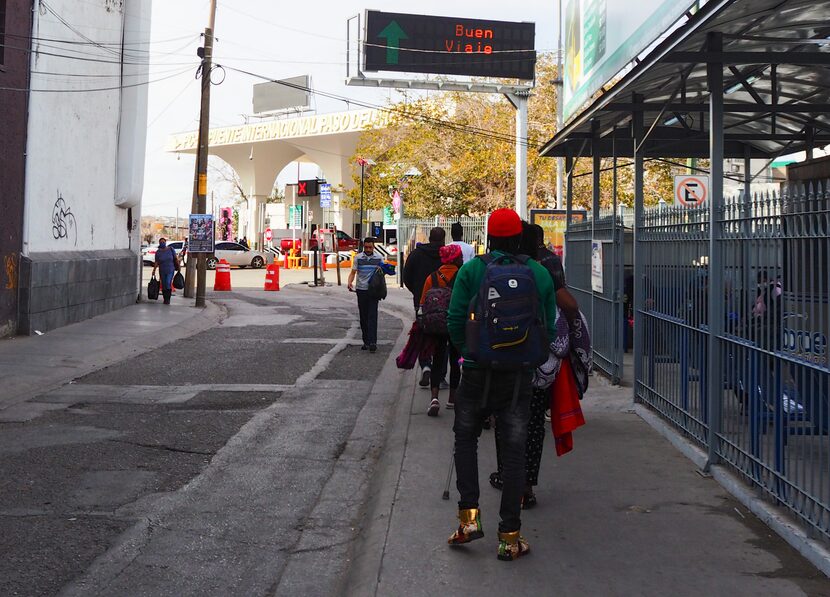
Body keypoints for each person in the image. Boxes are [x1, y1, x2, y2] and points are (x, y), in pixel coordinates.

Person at [446, 208, 557, 562]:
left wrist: (469, 352)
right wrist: (528, 357)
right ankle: (510, 537)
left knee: (465, 440)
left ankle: (468, 521)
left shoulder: (472, 270)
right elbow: (549, 325)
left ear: (490, 238)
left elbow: (454, 318)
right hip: (517, 376)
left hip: (477, 371)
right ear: (519, 238)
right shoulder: (537, 272)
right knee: (512, 451)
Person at [489, 223, 579, 507]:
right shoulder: (544, 269)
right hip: (535, 357)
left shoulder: (495, 268)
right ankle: (526, 485)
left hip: (501, 354)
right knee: (534, 422)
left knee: (505, 419)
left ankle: (506, 477)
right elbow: (569, 305)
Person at [419, 243, 463, 416]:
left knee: (437, 360)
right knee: (455, 361)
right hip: (455, 323)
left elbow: (423, 302)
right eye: (459, 256)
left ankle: (434, 398)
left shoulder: (432, 277)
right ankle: (452, 398)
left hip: (436, 325)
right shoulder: (461, 275)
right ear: (455, 258)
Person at [403, 227, 445, 386]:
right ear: (443, 239)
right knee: (442, 339)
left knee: (424, 335)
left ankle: (426, 365)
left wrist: (417, 291)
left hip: (421, 302)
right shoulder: (446, 256)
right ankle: (440, 375)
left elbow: (406, 276)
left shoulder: (416, 254)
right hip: (444, 304)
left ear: (429, 238)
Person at [347, 237, 393, 353]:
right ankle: (366, 341)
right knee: (364, 316)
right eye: (366, 247)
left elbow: (384, 271)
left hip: (373, 290)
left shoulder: (378, 258)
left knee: (372, 316)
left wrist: (385, 269)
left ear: (373, 247)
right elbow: (353, 272)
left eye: (370, 247)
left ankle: (373, 342)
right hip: (361, 290)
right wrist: (349, 282)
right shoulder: (358, 258)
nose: (368, 249)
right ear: (363, 247)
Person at [151, 237, 180, 305]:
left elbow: (175, 258)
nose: (162, 243)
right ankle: (165, 299)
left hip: (170, 269)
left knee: (168, 283)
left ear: (165, 242)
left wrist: (178, 266)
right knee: (163, 284)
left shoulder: (170, 249)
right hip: (162, 270)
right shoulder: (158, 252)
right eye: (161, 242)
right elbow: (156, 262)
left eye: (163, 242)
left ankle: (168, 299)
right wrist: (154, 270)